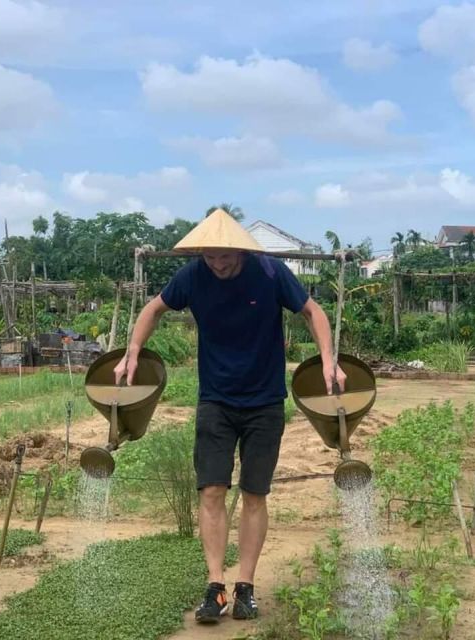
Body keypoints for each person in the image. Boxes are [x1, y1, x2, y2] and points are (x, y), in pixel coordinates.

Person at [115, 209, 345, 624]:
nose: (218, 264)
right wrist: (132, 351)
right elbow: (153, 309)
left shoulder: (270, 273)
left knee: (255, 495)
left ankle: (246, 588)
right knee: (211, 492)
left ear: (239, 250)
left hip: (265, 403)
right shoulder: (191, 276)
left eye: (224, 257)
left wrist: (328, 360)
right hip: (215, 401)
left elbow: (314, 312)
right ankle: (215, 586)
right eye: (210, 257)